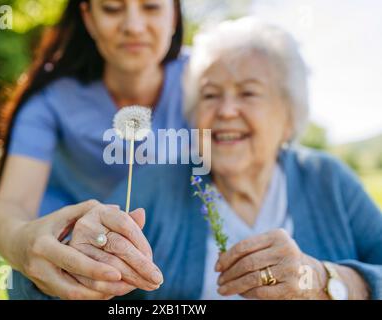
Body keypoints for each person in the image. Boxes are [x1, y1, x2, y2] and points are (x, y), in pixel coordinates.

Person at [72, 17, 381, 299]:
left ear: (289, 117)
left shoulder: (327, 178)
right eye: (210, 95)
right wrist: (84, 257)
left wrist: (325, 281)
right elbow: (72, 278)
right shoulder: (156, 183)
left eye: (248, 93)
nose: (226, 110)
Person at [0, 0, 187, 300]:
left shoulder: (212, 83)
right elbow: (9, 206)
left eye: (152, 7)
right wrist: (25, 246)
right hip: (69, 267)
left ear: (174, 15)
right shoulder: (51, 100)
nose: (132, 26)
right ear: (88, 18)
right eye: (112, 9)